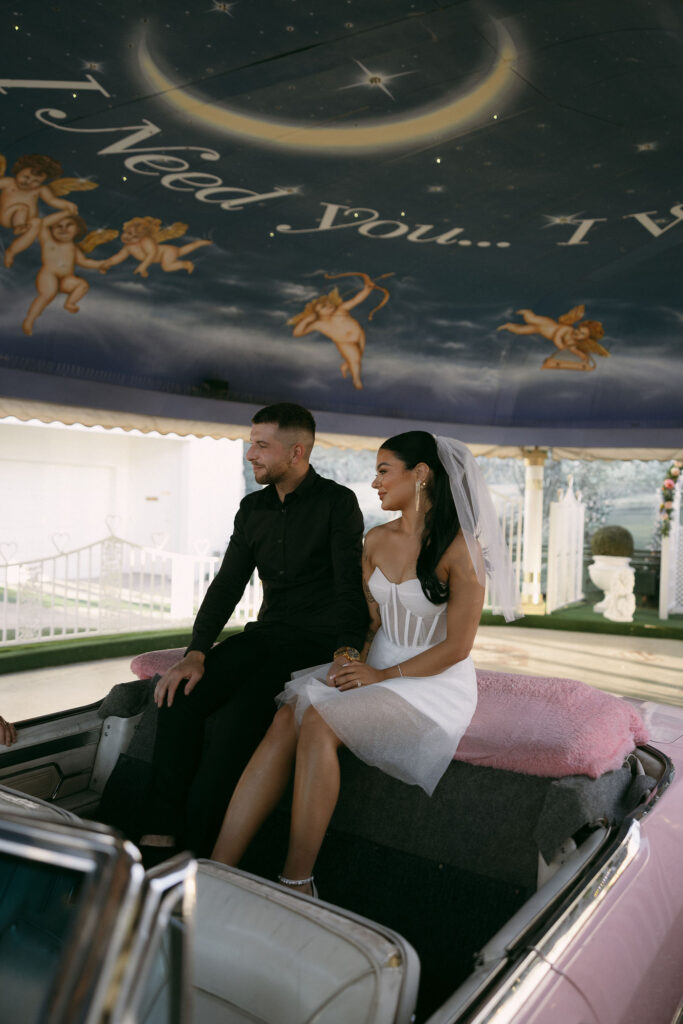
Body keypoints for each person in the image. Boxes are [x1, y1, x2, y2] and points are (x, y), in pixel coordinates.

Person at [211, 431, 521, 895]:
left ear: (421, 475)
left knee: (318, 722)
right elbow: (367, 624)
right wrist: (348, 658)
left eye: (383, 470)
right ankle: (217, 868)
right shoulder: (376, 539)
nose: (373, 482)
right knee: (285, 717)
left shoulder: (462, 549)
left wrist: (380, 676)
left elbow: (458, 647)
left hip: (433, 682)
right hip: (378, 664)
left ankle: (298, 880)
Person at [139, 403, 368, 860]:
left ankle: (198, 856)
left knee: (238, 724)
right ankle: (158, 836)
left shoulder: (337, 503)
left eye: (262, 445)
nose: (250, 454)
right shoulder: (252, 508)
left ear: (297, 451)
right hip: (264, 636)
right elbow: (227, 584)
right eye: (251, 442)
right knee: (178, 695)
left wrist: (347, 652)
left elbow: (350, 589)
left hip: (313, 646)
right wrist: (197, 651)